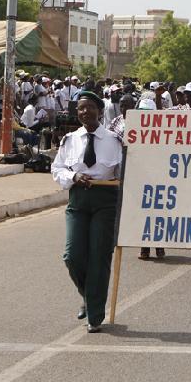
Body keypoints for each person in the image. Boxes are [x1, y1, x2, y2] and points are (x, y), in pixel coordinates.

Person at [51, 91, 122, 333]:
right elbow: (57, 168)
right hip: (78, 200)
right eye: (81, 108)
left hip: (106, 200)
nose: (85, 112)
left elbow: (125, 171)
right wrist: (73, 176)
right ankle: (87, 295)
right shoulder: (70, 139)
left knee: (99, 258)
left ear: (100, 111)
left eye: (90, 107)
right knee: (72, 256)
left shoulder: (115, 140)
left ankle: (95, 315)